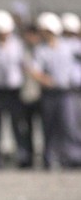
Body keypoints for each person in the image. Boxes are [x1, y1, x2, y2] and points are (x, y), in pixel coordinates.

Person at [28, 12, 81, 168]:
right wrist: (45, 80)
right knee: (49, 127)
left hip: (67, 93)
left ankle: (73, 157)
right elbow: (34, 70)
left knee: (69, 125)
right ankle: (50, 158)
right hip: (49, 94)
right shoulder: (41, 50)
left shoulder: (69, 46)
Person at [0, 9, 33, 168]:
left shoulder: (17, 45)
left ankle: (23, 157)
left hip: (14, 91)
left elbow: (25, 66)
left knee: (17, 124)